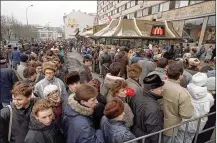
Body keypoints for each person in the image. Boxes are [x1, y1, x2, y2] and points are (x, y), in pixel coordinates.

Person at [176, 72, 214, 143]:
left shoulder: (185, 91)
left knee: (179, 139)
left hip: (183, 121)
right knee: (189, 139)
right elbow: (210, 105)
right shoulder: (209, 96)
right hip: (197, 124)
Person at [162, 62, 194, 142]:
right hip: (170, 127)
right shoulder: (183, 92)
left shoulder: (160, 84)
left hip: (157, 122)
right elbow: (187, 114)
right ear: (180, 76)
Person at [131, 74, 164, 142]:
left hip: (136, 133)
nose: (162, 90)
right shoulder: (154, 109)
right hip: (146, 139)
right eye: (160, 88)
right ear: (152, 90)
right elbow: (155, 133)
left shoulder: (136, 95)